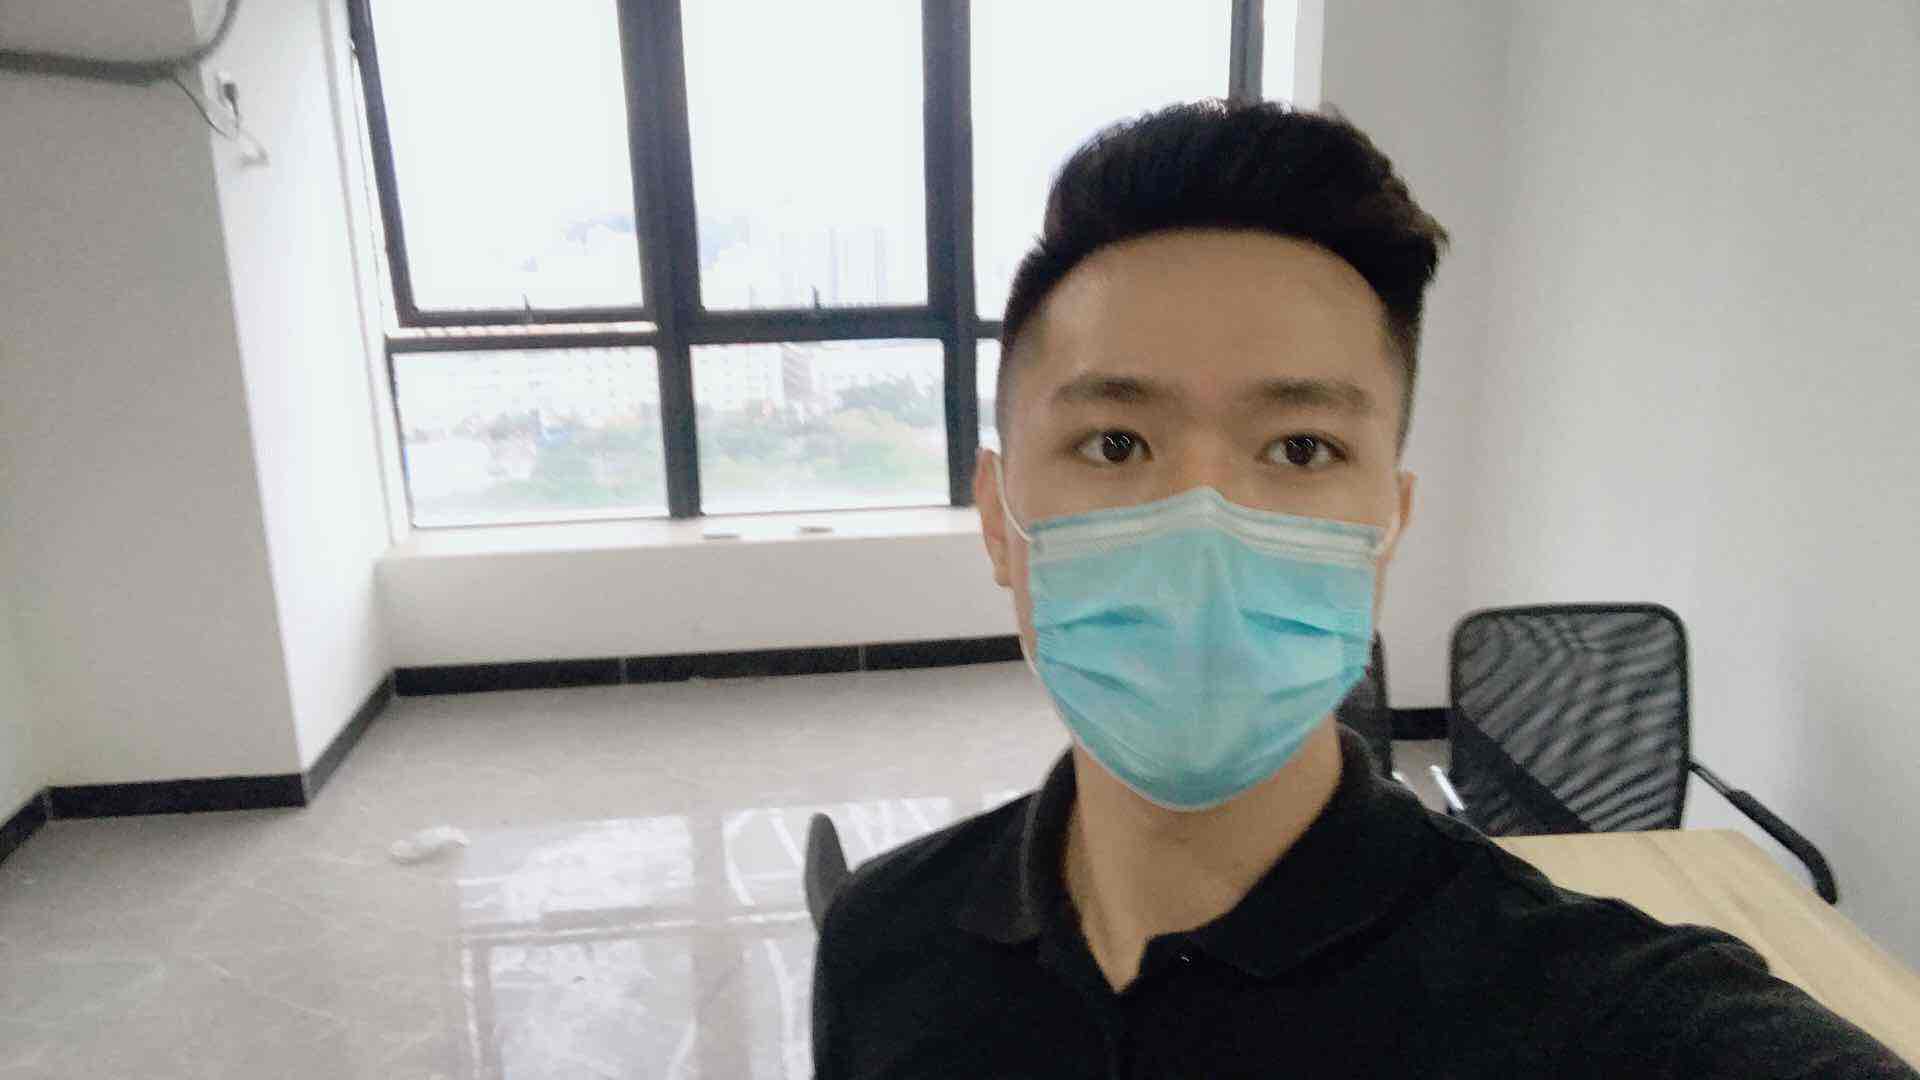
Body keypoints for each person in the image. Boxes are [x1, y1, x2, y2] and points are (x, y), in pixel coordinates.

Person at [809, 99, 1915, 1078]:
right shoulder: (880, 946)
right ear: (998, 520)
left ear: (1390, 526)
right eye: (1114, 442)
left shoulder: (1602, 1016)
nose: (1204, 524)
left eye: (1300, 449)